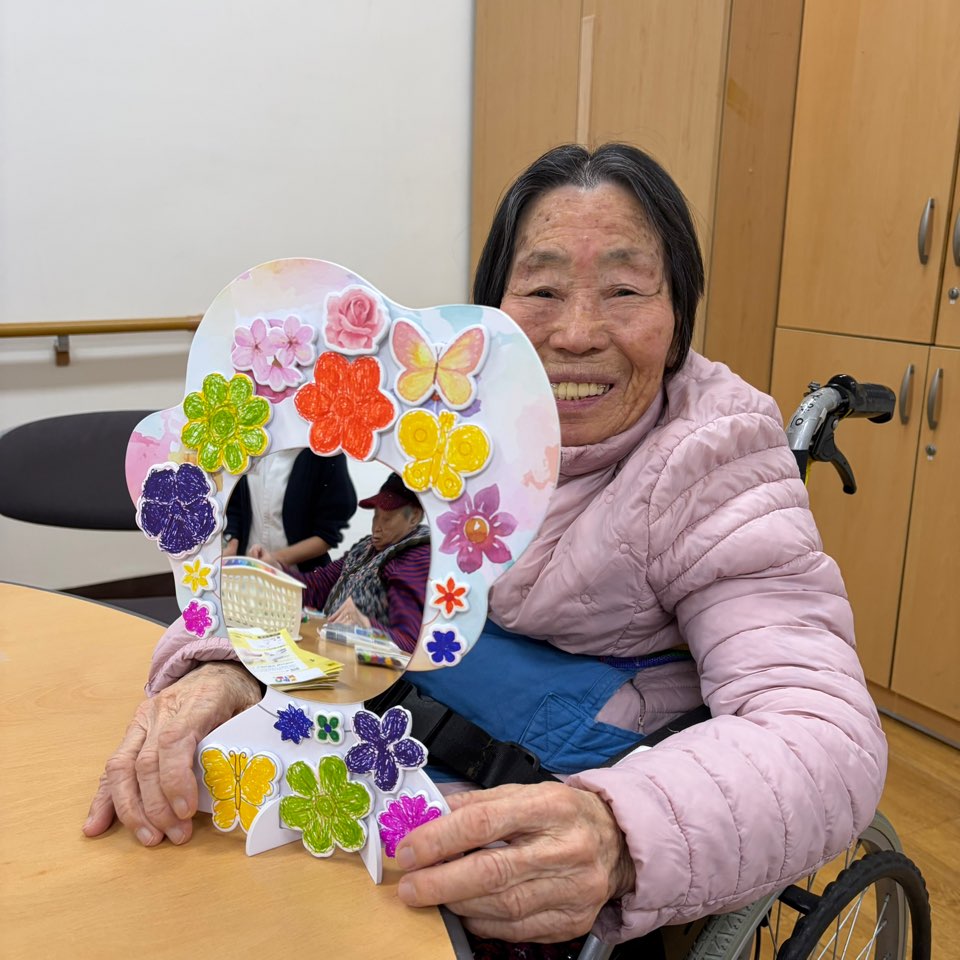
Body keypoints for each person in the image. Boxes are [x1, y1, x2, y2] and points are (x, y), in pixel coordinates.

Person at [84, 143, 886, 952]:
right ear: (492, 309)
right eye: (541, 290)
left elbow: (819, 729)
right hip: (382, 751)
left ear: (678, 314)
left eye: (625, 290)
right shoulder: (438, 415)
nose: (577, 333)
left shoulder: (716, 460)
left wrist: (619, 830)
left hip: (534, 800)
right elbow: (335, 578)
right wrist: (226, 664)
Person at [254, 472, 430, 653]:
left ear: (414, 517)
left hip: (362, 666)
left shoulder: (414, 559)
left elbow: (411, 644)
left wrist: (366, 625)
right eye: (376, 516)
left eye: (387, 519)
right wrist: (275, 569)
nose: (377, 526)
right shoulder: (366, 547)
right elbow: (319, 586)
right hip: (331, 649)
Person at [223, 448, 357, 573]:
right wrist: (232, 543)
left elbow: (327, 534)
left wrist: (276, 559)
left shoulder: (325, 453)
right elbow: (235, 503)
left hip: (300, 577)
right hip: (246, 572)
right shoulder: (253, 445)